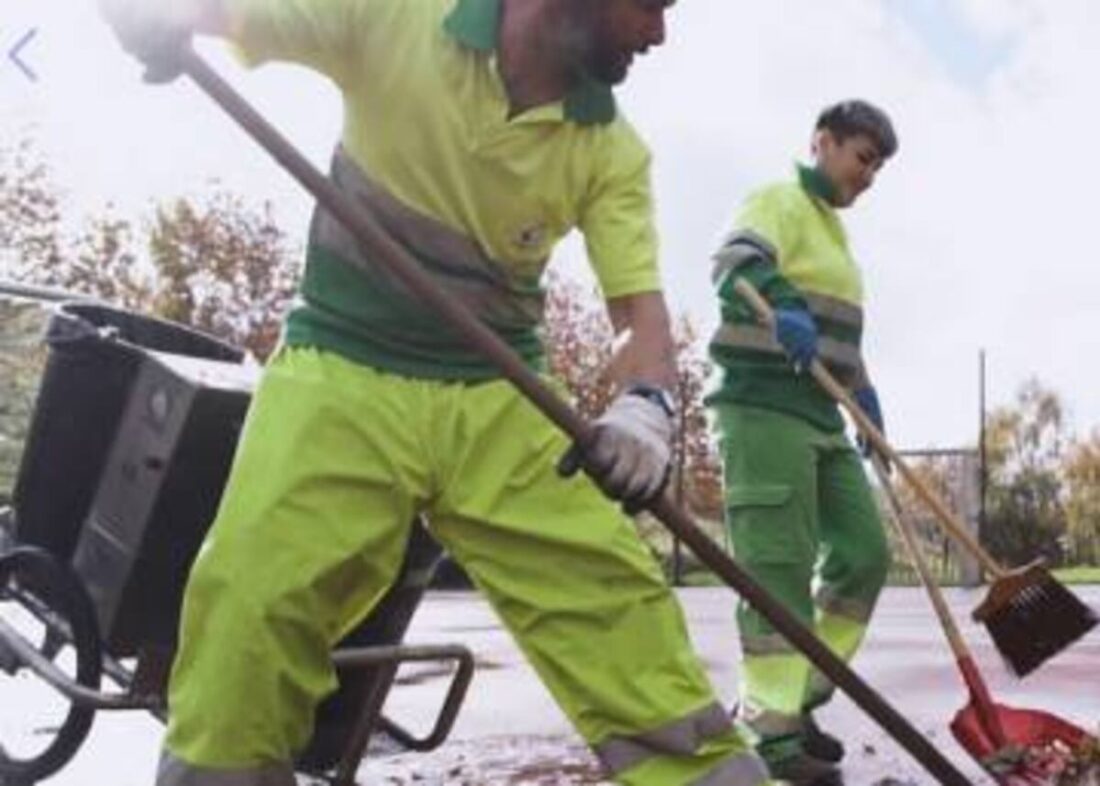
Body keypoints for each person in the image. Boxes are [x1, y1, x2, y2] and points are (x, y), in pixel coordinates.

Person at [99, 0, 773, 784]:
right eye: (650, 5)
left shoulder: (610, 149)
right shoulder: (393, 16)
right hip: (340, 369)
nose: (658, 33)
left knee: (618, 611)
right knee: (250, 611)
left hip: (498, 395)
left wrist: (646, 406)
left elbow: (640, 318)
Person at [706, 100, 899, 784]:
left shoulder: (839, 242)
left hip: (822, 417)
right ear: (823, 142)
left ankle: (800, 698)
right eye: (862, 157)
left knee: (864, 555)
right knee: (778, 570)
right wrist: (779, 299)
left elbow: (837, 336)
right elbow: (732, 262)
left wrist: (866, 397)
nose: (870, 175)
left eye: (878, 166)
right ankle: (771, 733)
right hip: (761, 409)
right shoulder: (779, 200)